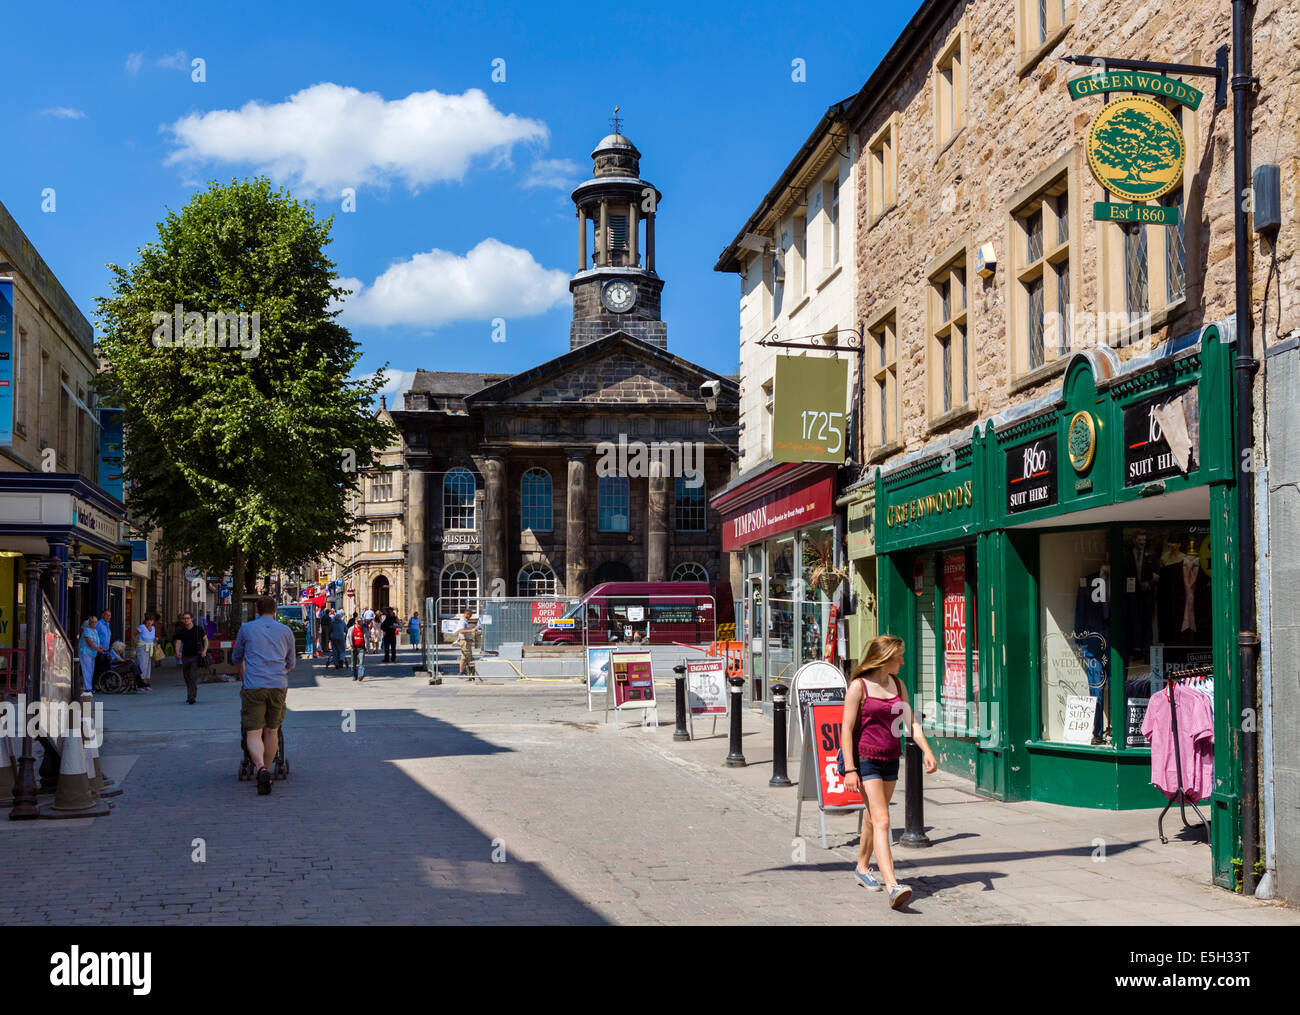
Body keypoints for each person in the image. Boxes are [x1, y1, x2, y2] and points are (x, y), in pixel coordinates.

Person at [840, 634, 937, 911]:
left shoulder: (897, 685)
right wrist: (849, 769)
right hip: (866, 759)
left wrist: (927, 750)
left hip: (891, 759)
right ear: (884, 658)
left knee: (873, 818)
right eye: (898, 657)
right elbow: (845, 729)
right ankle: (893, 885)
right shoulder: (859, 687)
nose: (902, 662)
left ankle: (861, 866)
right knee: (883, 820)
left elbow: (911, 722)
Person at [231, 595, 295, 796]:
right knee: (271, 730)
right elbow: (291, 662)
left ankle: (261, 768)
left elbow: (235, 657)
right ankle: (267, 773)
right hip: (277, 685)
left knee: (253, 732)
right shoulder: (286, 631)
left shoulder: (247, 629)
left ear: (257, 610)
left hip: (254, 686)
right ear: (275, 610)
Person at [174, 611, 209, 705]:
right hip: (185, 656)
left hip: (195, 656)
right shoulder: (182, 631)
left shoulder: (198, 629)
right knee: (186, 677)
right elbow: (178, 642)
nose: (186, 620)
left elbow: (205, 641)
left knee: (193, 676)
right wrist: (177, 651)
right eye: (184, 618)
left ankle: (191, 696)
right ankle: (190, 693)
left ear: (192, 619)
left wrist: (204, 651)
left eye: (187, 618)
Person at [78, 618, 102, 695]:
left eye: (95, 622)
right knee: (86, 670)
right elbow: (89, 642)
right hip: (85, 652)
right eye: (92, 622)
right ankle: (87, 688)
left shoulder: (95, 631)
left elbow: (97, 642)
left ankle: (89, 687)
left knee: (90, 670)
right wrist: (98, 649)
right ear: (89, 623)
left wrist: (101, 647)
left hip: (92, 653)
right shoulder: (87, 630)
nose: (94, 623)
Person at [453, 607, 478, 676]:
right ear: (467, 614)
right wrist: (471, 630)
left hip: (467, 641)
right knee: (465, 657)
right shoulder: (462, 621)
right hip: (464, 641)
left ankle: (466, 671)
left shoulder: (465, 621)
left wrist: (472, 632)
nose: (470, 617)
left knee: (468, 657)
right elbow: (461, 631)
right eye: (470, 615)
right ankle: (461, 672)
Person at [135, 614, 157, 690]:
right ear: (146, 621)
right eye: (148, 620)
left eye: (151, 620)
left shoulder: (153, 628)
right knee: (142, 665)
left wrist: (155, 640)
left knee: (148, 665)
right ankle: (139, 683)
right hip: (142, 648)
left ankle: (145, 682)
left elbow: (152, 638)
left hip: (150, 648)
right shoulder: (142, 627)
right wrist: (136, 643)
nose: (150, 622)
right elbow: (133, 635)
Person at [349, 614, 367, 681]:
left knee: (361, 662)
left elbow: (367, 638)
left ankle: (360, 675)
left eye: (360, 622)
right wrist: (349, 646)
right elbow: (348, 638)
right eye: (358, 622)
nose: (359, 623)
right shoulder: (351, 629)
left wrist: (367, 648)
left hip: (361, 648)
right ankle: (354, 675)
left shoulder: (364, 629)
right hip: (354, 648)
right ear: (355, 622)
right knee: (353, 663)